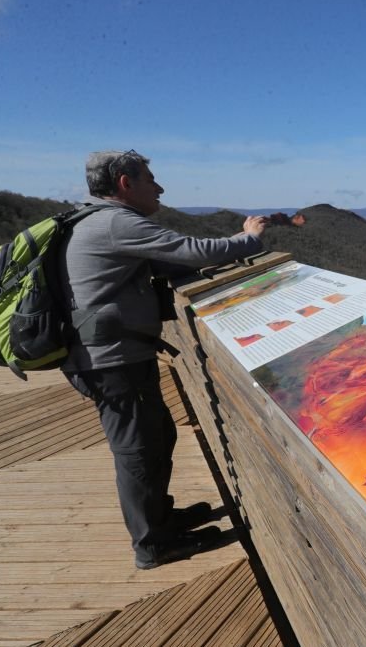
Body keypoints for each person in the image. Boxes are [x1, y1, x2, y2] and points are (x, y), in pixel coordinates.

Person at [60, 150, 267, 570]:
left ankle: (161, 518)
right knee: (137, 449)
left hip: (110, 354)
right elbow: (191, 249)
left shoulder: (90, 219)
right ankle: (152, 545)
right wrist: (250, 237)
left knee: (156, 438)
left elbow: (165, 258)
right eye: (151, 179)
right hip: (110, 360)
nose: (160, 188)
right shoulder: (116, 222)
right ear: (124, 183)